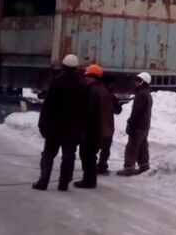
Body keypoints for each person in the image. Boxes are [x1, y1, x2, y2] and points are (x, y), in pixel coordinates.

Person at [33, 54, 97, 191]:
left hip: (54, 129)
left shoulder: (56, 83)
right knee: (69, 156)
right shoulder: (82, 86)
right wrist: (84, 128)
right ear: (76, 68)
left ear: (63, 66)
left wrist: (42, 125)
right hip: (73, 130)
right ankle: (63, 183)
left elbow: (47, 107)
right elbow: (88, 109)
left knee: (48, 154)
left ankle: (43, 181)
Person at [78, 64, 121, 179]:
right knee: (102, 150)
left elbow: (87, 110)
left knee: (88, 153)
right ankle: (101, 167)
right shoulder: (107, 93)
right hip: (107, 127)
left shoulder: (91, 90)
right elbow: (118, 109)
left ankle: (89, 177)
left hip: (95, 128)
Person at [117, 72, 153, 177]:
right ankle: (144, 166)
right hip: (144, 126)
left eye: (138, 80)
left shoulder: (141, 94)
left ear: (143, 82)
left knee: (131, 147)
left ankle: (129, 168)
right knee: (142, 146)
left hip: (138, 126)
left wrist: (130, 124)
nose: (135, 82)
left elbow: (136, 112)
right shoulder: (147, 94)